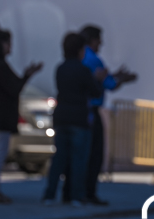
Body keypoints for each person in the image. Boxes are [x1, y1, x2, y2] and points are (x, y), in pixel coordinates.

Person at [61, 25, 137, 206]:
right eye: (98, 40)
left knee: (75, 155)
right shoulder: (93, 60)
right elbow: (105, 84)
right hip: (89, 111)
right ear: (92, 40)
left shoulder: (75, 61)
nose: (101, 44)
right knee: (93, 154)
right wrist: (119, 79)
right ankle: (87, 191)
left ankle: (70, 191)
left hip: (72, 111)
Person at [42, 33, 106, 206]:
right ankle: (76, 196)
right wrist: (98, 80)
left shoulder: (60, 68)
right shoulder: (83, 70)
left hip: (61, 115)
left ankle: (49, 194)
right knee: (78, 159)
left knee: (59, 158)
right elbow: (95, 91)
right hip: (79, 117)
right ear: (80, 51)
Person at [0, 30, 42, 204]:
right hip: (0, 116)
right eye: (7, 42)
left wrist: (26, 76)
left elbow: (14, 85)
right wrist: (27, 76)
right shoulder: (0, 66)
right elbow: (14, 87)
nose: (10, 46)